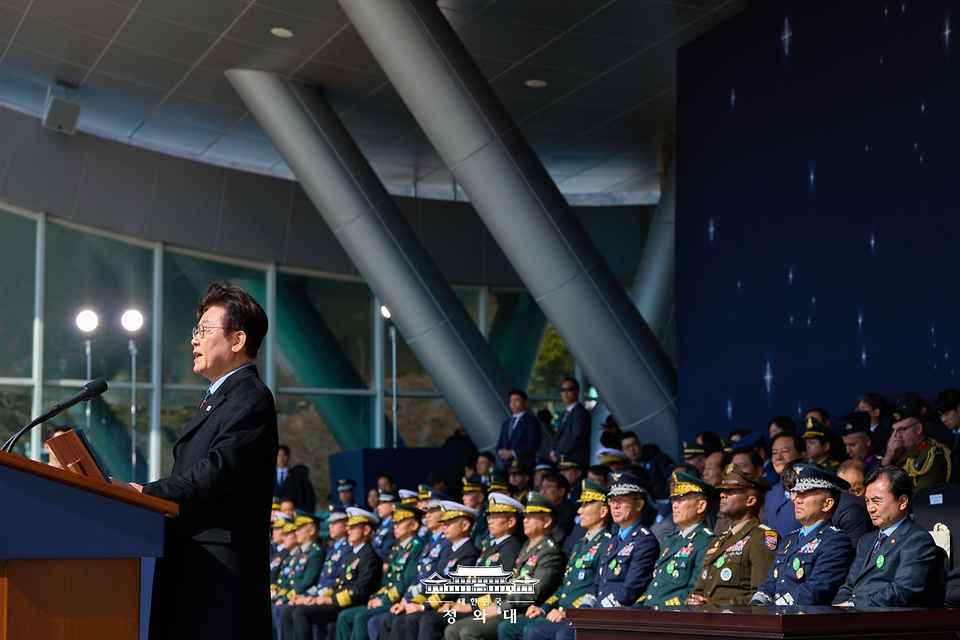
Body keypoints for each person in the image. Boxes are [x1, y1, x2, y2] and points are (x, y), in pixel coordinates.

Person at [132, 281, 277, 640]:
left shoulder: (250, 397)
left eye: (204, 330)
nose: (194, 340)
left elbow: (216, 471)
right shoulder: (220, 397)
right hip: (193, 560)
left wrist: (146, 492)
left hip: (218, 568)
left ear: (238, 341)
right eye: (196, 330)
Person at [443, 493, 563, 640]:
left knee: (468, 631)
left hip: (521, 611)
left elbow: (531, 592)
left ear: (547, 522)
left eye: (531, 516)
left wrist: (499, 607)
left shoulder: (548, 552)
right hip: (505, 605)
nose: (525, 520)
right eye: (525, 516)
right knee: (453, 630)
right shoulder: (527, 547)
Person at [503, 480, 613, 640]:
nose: (579, 511)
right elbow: (564, 587)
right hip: (559, 611)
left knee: (532, 630)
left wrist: (569, 612)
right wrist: (544, 608)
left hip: (579, 613)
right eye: (580, 505)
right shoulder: (579, 545)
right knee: (508, 627)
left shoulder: (607, 544)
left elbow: (598, 588)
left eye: (586, 505)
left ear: (603, 511)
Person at [833, 466, 944, 607]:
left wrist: (852, 604)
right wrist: (835, 610)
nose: (871, 508)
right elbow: (848, 586)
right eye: (867, 501)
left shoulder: (916, 539)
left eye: (877, 501)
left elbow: (903, 591)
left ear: (902, 502)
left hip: (888, 621)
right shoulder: (867, 540)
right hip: (854, 617)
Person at [751, 465, 853, 606]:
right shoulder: (789, 539)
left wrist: (774, 607)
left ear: (827, 504)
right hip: (777, 616)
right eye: (797, 494)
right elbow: (770, 584)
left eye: (805, 494)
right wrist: (756, 605)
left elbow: (815, 589)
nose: (797, 500)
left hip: (804, 619)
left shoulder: (835, 541)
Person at [380, 501, 481, 640]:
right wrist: (414, 602)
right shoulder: (452, 552)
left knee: (418, 619)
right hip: (439, 603)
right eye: (444, 522)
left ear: (465, 525)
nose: (444, 525)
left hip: (451, 605)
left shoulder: (469, 552)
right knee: (394, 620)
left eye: (450, 522)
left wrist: (422, 606)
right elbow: (431, 583)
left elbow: (451, 588)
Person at [282, 507, 384, 640]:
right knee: (289, 610)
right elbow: (338, 583)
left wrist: (331, 599)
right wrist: (319, 597)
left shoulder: (368, 555)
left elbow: (360, 589)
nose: (348, 530)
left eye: (353, 527)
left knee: (300, 612)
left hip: (350, 602)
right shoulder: (353, 555)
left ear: (366, 530)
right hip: (338, 599)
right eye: (349, 526)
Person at [686, 464, 777, 605]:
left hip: (735, 621)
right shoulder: (716, 542)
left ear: (750, 501)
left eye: (731, 491)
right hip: (705, 619)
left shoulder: (761, 538)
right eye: (723, 491)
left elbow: (762, 595)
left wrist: (718, 606)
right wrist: (693, 600)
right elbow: (698, 591)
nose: (722, 494)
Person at [334, 505, 426, 640]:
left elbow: (406, 581)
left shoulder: (416, 547)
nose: (395, 525)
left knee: (362, 617)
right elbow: (388, 580)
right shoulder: (398, 547)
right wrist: (376, 597)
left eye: (400, 522)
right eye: (395, 522)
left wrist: (383, 600)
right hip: (389, 597)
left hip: (400, 600)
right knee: (345, 616)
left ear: (414, 525)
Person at [638, 471, 717, 608]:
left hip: (673, 614)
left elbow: (694, 590)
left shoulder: (707, 542)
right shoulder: (671, 540)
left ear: (701, 506)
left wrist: (657, 607)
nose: (674, 505)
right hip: (652, 612)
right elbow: (656, 586)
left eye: (681, 499)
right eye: (674, 499)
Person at [272, 513, 326, 634]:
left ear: (311, 530)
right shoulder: (302, 553)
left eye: (300, 528)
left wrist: (286, 597)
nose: (296, 532)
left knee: (282, 610)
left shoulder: (315, 552)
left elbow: (306, 583)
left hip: (306, 595)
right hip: (295, 594)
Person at [881, 400, 950, 490]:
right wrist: (887, 458)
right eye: (894, 431)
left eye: (902, 429)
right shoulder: (895, 451)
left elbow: (922, 494)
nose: (897, 436)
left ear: (918, 428)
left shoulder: (931, 453)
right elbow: (876, 483)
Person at [763, 432, 805, 536]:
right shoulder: (772, 492)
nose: (779, 457)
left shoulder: (811, 490)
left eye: (785, 451)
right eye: (774, 453)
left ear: (803, 455)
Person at [496, 388, 541, 472]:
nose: (513, 404)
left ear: (525, 402)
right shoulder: (506, 423)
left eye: (516, 400)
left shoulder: (530, 421)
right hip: (507, 466)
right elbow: (500, 444)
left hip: (524, 465)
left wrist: (513, 453)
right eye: (511, 401)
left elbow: (533, 443)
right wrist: (501, 453)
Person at [620, 430, 675, 500]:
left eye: (634, 444)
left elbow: (671, 477)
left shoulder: (657, 457)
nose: (632, 449)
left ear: (640, 444)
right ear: (623, 450)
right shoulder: (625, 468)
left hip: (664, 499)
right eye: (627, 447)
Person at [550, 378, 590, 468]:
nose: (565, 393)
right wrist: (552, 451)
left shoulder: (580, 413)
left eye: (569, 389)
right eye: (563, 390)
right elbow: (558, 435)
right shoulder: (565, 413)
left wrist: (558, 453)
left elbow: (577, 438)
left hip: (574, 461)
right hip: (563, 459)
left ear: (577, 392)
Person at [539, 471, 576, 546]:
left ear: (561, 491)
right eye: (542, 487)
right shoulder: (548, 510)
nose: (543, 491)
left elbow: (556, 538)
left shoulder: (567, 512)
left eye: (548, 487)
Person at [856, 392, 890, 457]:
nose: (859, 414)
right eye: (858, 410)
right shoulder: (856, 434)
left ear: (876, 412)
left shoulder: (885, 437)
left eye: (863, 410)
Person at [373, 490, 398, 562]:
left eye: (382, 504)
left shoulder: (394, 525)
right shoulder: (380, 525)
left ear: (392, 506)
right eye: (378, 504)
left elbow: (386, 550)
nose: (378, 507)